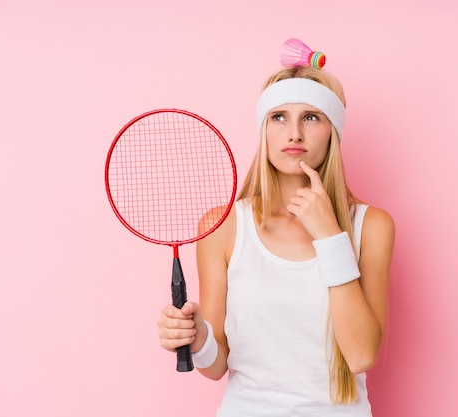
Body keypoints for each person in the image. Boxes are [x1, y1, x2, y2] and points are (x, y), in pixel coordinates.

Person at [157, 43, 395, 416]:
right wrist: (199, 337)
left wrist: (331, 236)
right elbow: (217, 364)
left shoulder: (372, 226)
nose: (295, 133)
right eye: (279, 117)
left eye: (312, 118)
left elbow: (362, 355)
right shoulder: (223, 227)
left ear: (333, 131)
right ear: (263, 129)